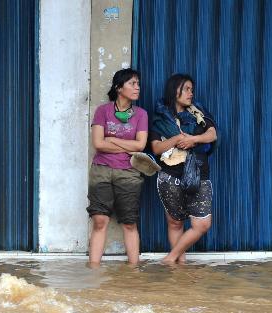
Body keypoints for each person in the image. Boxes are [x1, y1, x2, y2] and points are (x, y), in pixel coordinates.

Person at [150, 74, 217, 264]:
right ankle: (180, 268)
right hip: (170, 176)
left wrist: (193, 139)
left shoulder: (198, 114)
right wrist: (176, 140)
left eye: (192, 89)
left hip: (198, 174)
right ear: (175, 90)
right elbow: (156, 148)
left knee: (202, 224)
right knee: (175, 222)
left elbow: (212, 135)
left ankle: (170, 259)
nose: (191, 93)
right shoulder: (161, 117)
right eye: (186, 89)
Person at [88, 68, 150, 265]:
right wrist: (126, 146)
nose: (137, 87)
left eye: (138, 84)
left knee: (129, 222)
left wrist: (112, 139)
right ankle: (93, 270)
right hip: (101, 170)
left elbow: (140, 145)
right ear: (118, 87)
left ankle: (133, 272)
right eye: (132, 83)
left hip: (129, 173)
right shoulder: (102, 111)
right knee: (100, 221)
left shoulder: (141, 114)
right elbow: (98, 144)